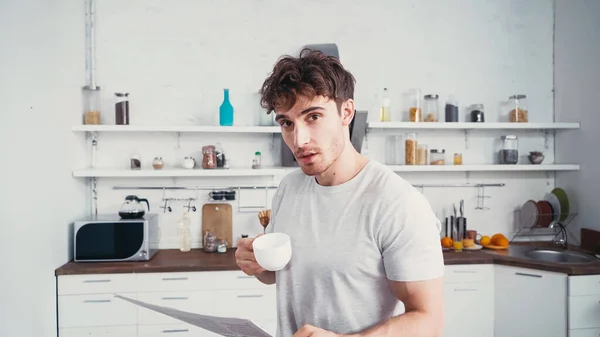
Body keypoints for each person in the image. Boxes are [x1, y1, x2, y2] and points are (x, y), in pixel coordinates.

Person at [235, 49, 444, 337]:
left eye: (314, 117)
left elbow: (429, 321)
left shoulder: (398, 203)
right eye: (287, 123)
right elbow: (286, 275)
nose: (299, 140)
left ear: (346, 112)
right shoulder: (289, 189)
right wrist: (260, 267)